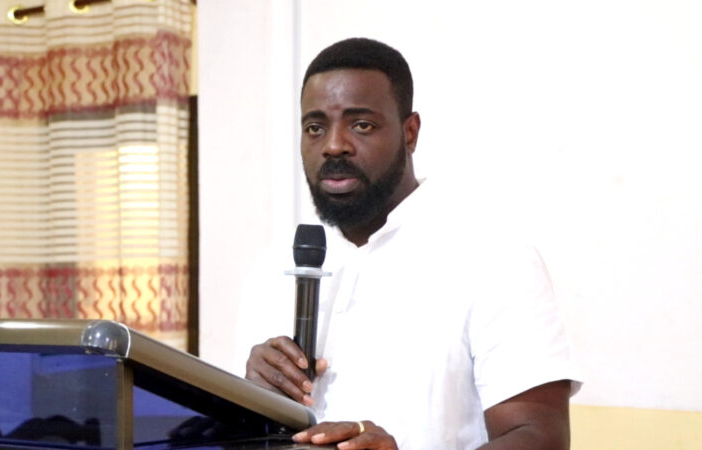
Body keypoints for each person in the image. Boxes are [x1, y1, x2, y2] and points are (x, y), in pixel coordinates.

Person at [245, 37, 581, 449]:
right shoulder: (274, 265)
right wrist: (248, 401)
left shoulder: (494, 256)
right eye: (315, 128)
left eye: (361, 125)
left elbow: (540, 438)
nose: (333, 145)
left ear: (410, 132)